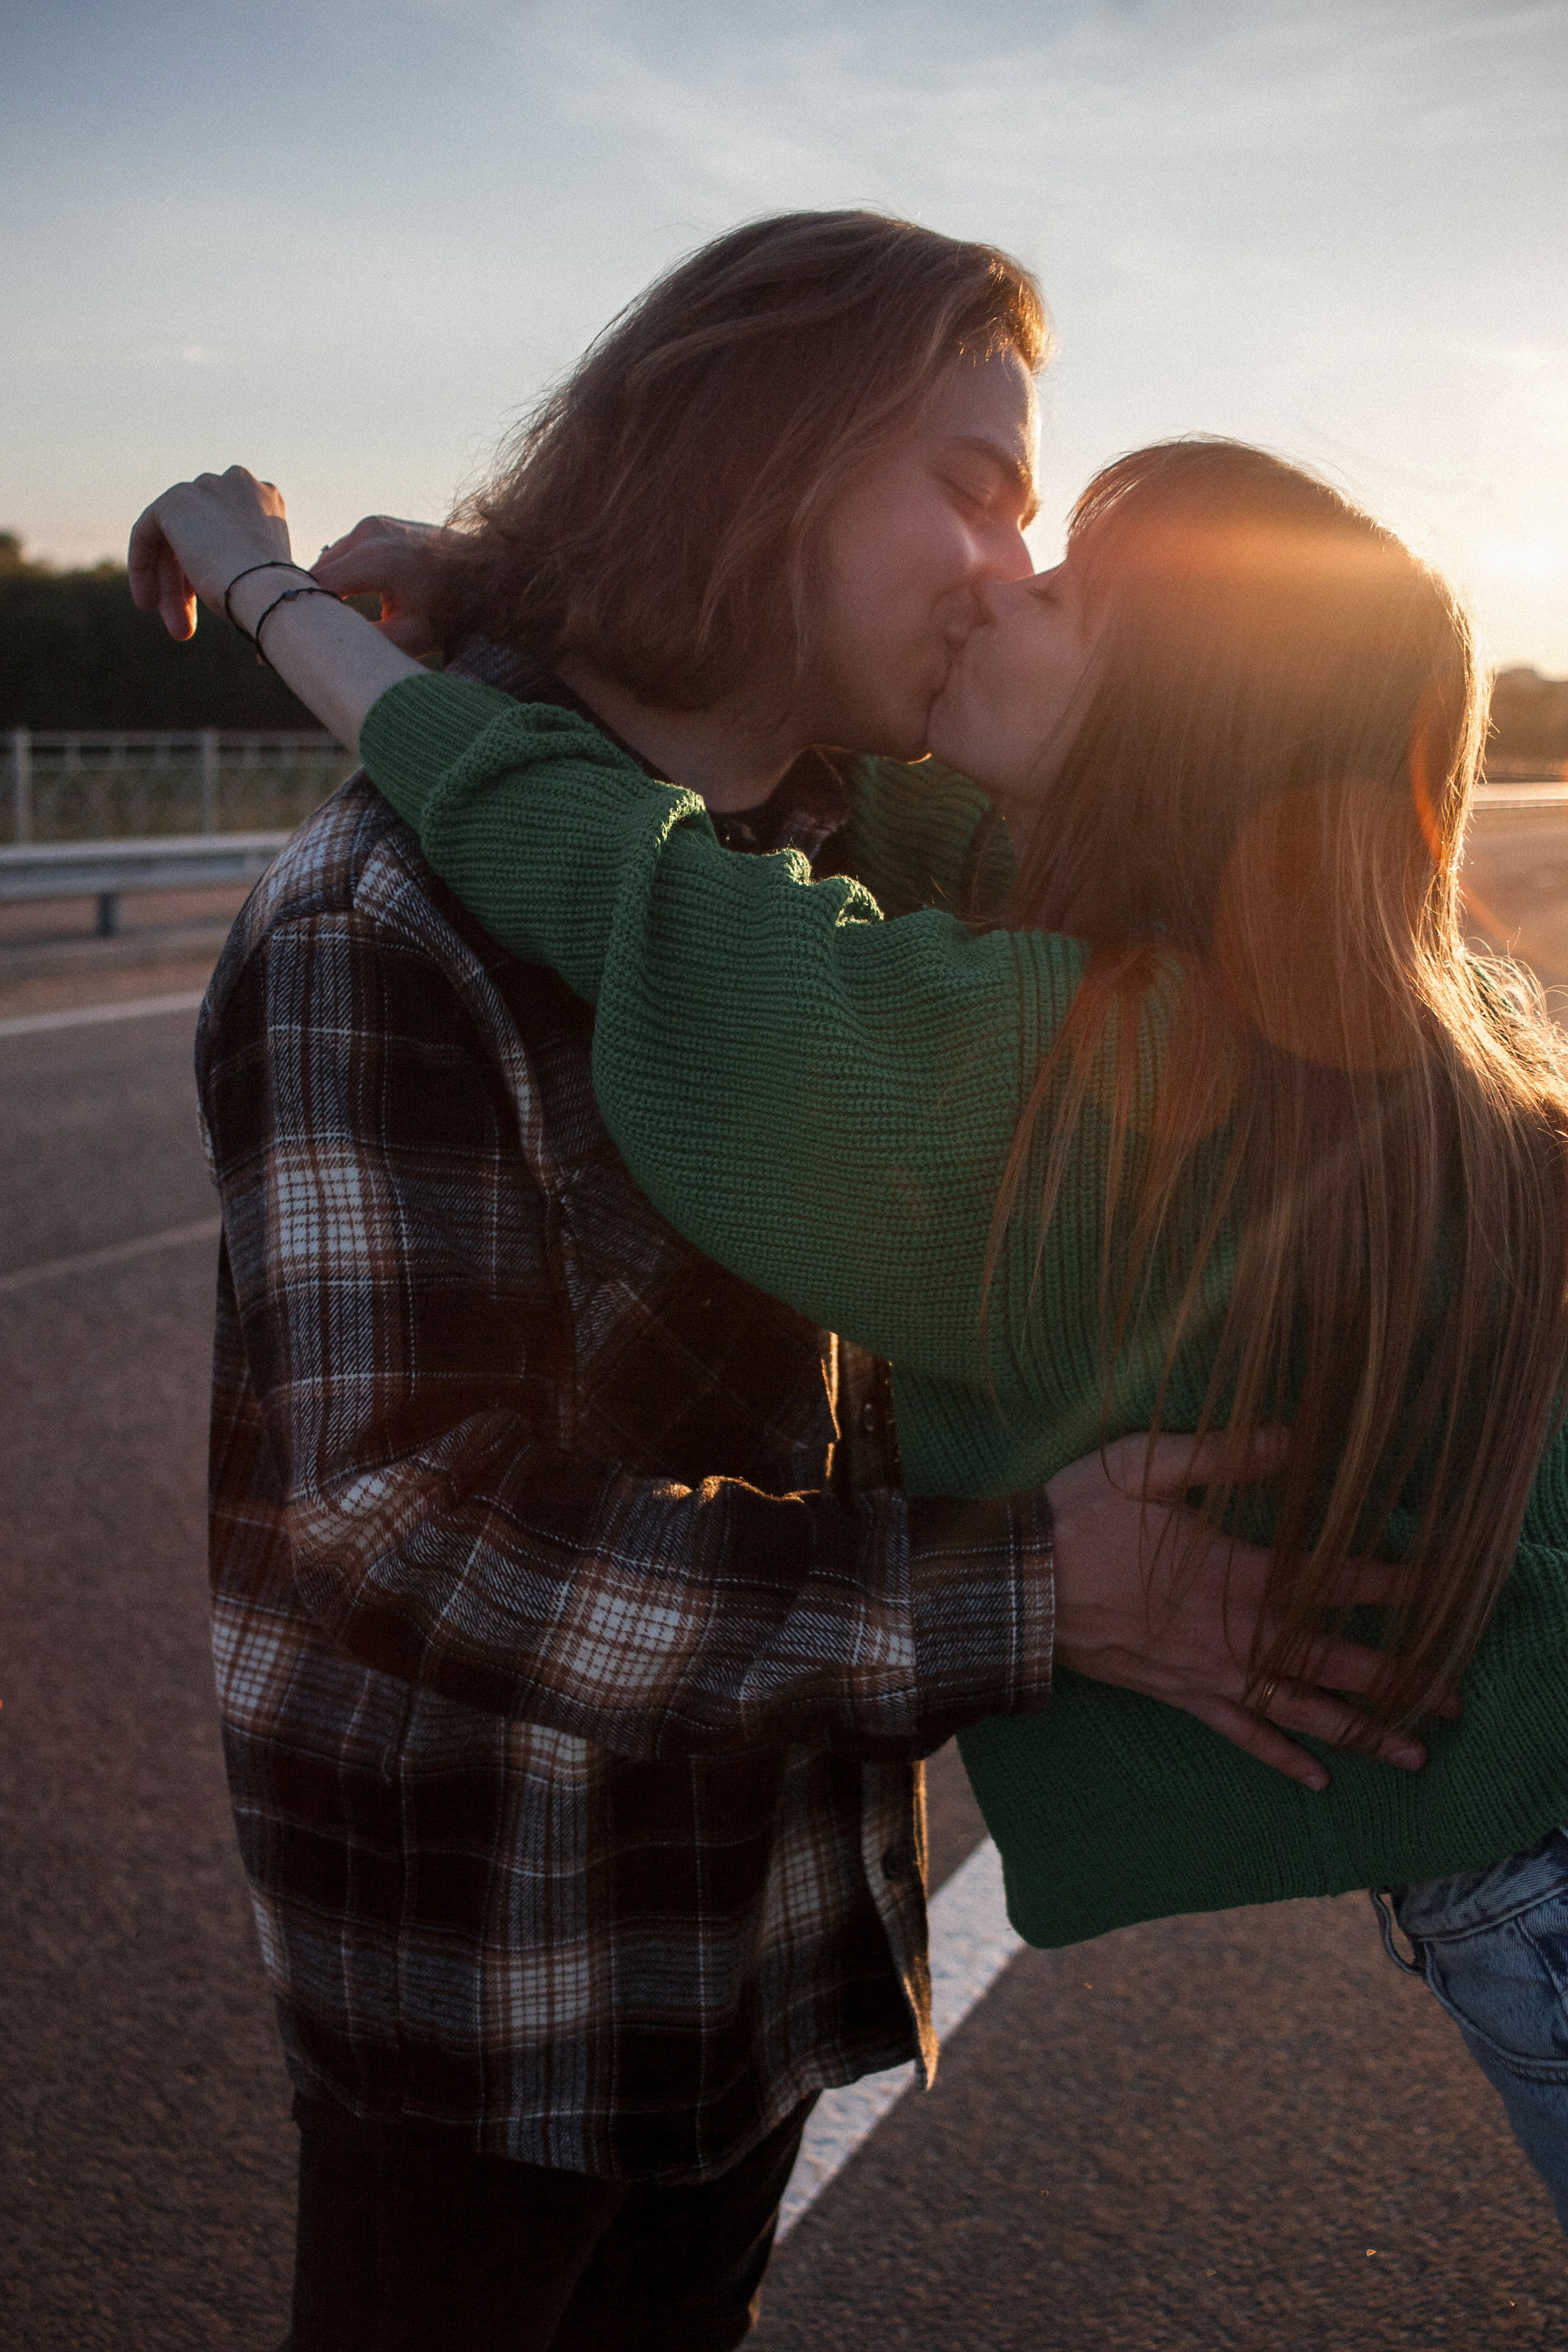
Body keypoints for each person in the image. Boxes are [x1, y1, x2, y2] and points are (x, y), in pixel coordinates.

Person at [134, 218, 1419, 2350]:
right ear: (763, 455)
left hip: (767, 1945)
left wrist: (463, 578)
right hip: (500, 1988)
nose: (1014, 568)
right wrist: (1038, 1588)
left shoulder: (843, 836)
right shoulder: (383, 916)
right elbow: (402, 1522)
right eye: (980, 486)